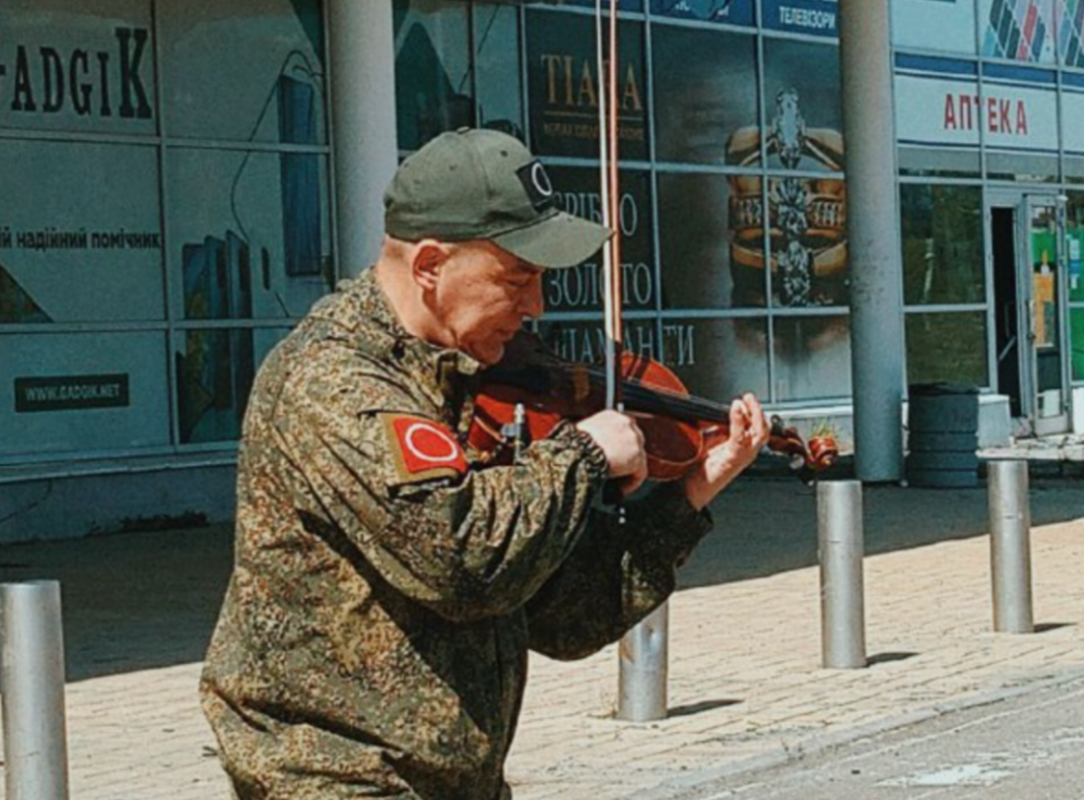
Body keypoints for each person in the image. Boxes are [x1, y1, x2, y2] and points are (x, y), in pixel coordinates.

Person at [200, 127, 770, 800]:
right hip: (337, 777)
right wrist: (583, 453)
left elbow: (562, 618)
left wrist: (693, 491)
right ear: (430, 266)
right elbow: (465, 561)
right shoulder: (334, 380)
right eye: (516, 279)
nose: (536, 306)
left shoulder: (459, 377)